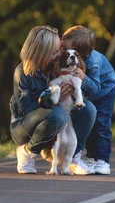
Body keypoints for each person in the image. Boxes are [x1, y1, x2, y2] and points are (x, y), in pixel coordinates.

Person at [9, 25, 97, 175]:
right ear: (41, 53)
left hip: (55, 123)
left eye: (60, 49)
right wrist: (51, 97)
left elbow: (94, 92)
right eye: (56, 51)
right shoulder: (22, 73)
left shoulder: (59, 65)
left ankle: (73, 157)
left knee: (88, 108)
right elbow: (26, 109)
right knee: (57, 115)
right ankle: (28, 151)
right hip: (25, 127)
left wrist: (83, 79)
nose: (60, 53)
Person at [61, 25, 115, 175]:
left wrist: (83, 78)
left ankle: (103, 160)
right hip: (93, 91)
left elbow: (95, 89)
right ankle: (92, 157)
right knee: (91, 124)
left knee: (102, 124)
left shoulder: (94, 62)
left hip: (106, 90)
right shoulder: (70, 56)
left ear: (82, 53)